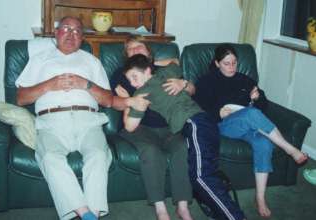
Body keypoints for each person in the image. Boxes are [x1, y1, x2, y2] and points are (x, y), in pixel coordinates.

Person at [15, 16, 149, 220]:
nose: (71, 34)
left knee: (98, 155)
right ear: (56, 33)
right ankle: (87, 214)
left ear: (82, 38)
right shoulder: (40, 59)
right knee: (50, 158)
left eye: (77, 31)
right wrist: (49, 85)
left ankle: (91, 214)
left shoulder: (92, 61)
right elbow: (21, 98)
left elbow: (107, 100)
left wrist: (85, 84)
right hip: (51, 122)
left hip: (88, 120)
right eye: (66, 29)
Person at [121, 54, 247, 220]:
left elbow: (130, 126)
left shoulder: (142, 92)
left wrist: (129, 100)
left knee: (202, 178)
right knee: (206, 175)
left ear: (147, 71)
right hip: (206, 122)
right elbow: (175, 62)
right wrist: (176, 78)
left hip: (194, 122)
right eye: (130, 80)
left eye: (134, 77)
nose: (133, 83)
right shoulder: (166, 74)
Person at [193, 43, 308, 218]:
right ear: (217, 63)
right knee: (251, 114)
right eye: (226, 63)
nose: (231, 67)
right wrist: (218, 112)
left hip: (246, 123)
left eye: (234, 62)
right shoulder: (206, 81)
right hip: (222, 125)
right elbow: (197, 108)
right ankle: (289, 148)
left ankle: (260, 198)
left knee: (263, 142)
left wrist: (257, 98)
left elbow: (264, 106)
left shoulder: (244, 79)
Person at [112, 36, 193, 220]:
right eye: (130, 50)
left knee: (182, 147)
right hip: (138, 126)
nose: (134, 51)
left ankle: (183, 206)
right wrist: (128, 101)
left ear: (149, 52)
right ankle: (160, 208)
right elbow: (114, 101)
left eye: (138, 47)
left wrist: (184, 84)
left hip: (168, 126)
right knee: (150, 150)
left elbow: (179, 68)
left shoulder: (164, 71)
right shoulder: (121, 73)